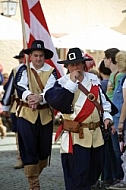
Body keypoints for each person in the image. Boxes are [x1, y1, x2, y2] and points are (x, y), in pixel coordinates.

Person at [45, 47, 115, 190]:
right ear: (67, 66)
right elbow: (59, 103)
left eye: (78, 63)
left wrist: (107, 117)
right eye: (72, 64)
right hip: (75, 136)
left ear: (84, 64)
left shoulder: (94, 80)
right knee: (77, 176)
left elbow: (105, 104)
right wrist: (72, 82)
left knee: (93, 174)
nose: (76, 67)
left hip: (96, 136)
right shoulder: (61, 83)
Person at [14, 40, 58, 190]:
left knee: (44, 150)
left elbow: (52, 89)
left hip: (44, 115)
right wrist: (29, 96)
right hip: (26, 114)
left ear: (44, 56)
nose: (38, 58)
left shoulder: (51, 71)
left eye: (41, 55)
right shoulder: (23, 70)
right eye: (35, 55)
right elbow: (19, 86)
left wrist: (40, 98)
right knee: (29, 148)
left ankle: (35, 173)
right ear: (30, 56)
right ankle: (34, 184)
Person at [103, 48, 124, 188]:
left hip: (116, 114)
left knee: (117, 149)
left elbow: (120, 99)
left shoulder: (119, 76)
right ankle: (115, 176)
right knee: (114, 148)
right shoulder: (115, 75)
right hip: (113, 114)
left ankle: (119, 176)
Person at [1, 49, 25, 169]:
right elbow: (9, 88)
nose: (21, 60)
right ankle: (20, 158)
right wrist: (5, 105)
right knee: (18, 134)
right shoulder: (16, 70)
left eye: (22, 58)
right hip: (18, 107)